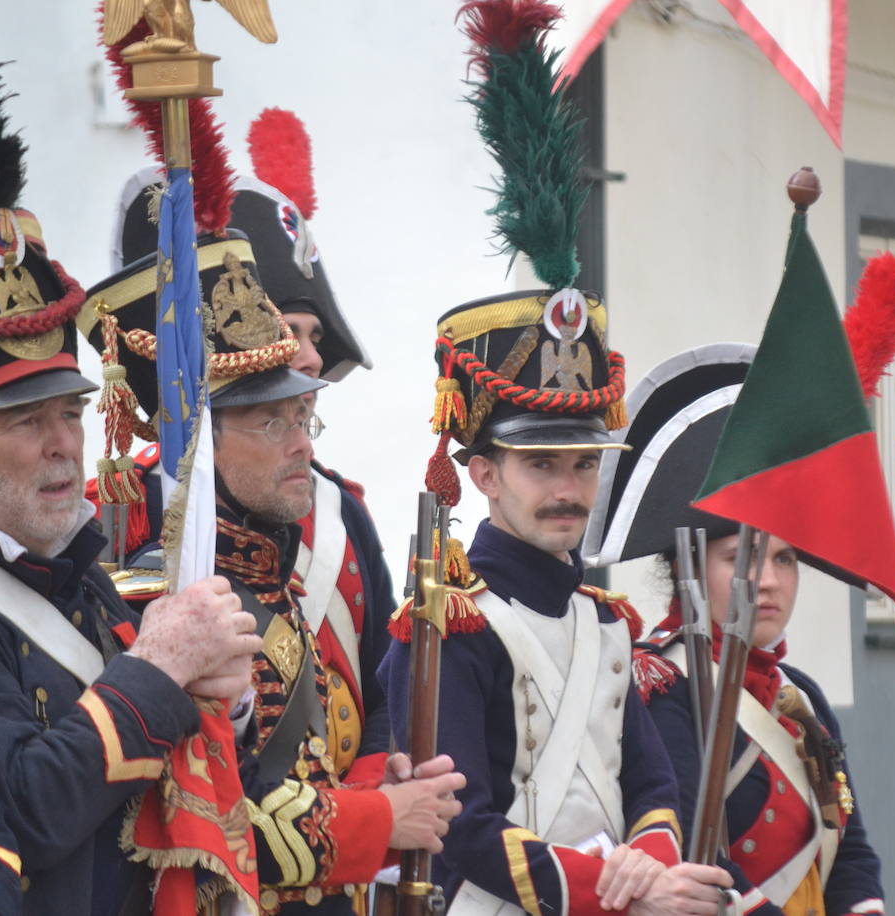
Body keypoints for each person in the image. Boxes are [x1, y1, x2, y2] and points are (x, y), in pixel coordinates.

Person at [0, 3, 261, 912]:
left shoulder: (75, 565)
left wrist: (224, 697)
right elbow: (27, 808)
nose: (62, 443)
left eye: (67, 411)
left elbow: (161, 768)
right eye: (23, 423)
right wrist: (162, 668)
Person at [382, 5, 732, 914]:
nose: (569, 487)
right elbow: (460, 827)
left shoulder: (609, 624)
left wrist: (647, 861)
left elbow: (652, 786)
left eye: (582, 463)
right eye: (543, 467)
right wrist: (618, 890)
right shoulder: (444, 628)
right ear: (484, 472)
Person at [83, 227, 463, 915]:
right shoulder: (166, 599)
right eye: (270, 423)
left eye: (303, 417)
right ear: (202, 437)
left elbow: (355, 715)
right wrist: (383, 818)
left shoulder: (267, 568)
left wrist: (384, 786)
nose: (299, 445)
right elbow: (215, 819)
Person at [582, 344, 886, 916]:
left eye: (784, 559)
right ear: (688, 566)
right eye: (738, 558)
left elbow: (851, 851)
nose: (765, 581)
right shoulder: (662, 686)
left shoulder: (803, 698)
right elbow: (702, 865)